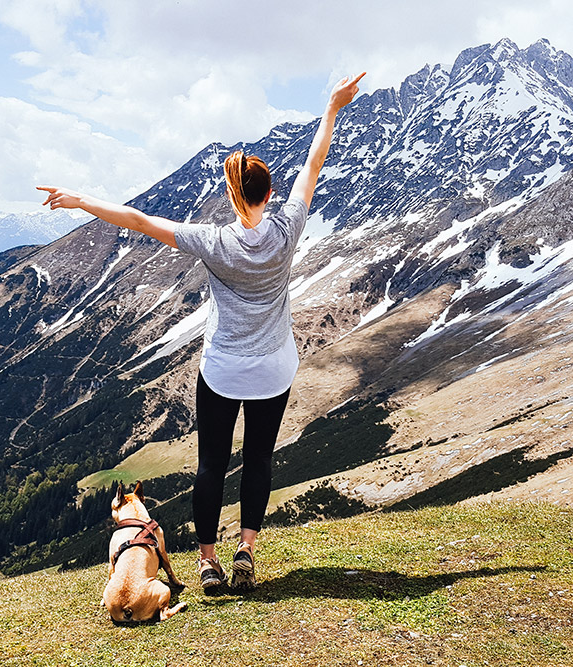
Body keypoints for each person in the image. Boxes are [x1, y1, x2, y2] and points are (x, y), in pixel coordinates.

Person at [38, 71, 366, 591]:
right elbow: (314, 164)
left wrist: (79, 199)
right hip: (273, 369)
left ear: (233, 198)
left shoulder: (212, 241)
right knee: (259, 459)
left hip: (224, 369)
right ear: (269, 194)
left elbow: (138, 220)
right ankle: (247, 552)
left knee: (211, 463)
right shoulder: (287, 229)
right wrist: (331, 109)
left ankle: (208, 561)